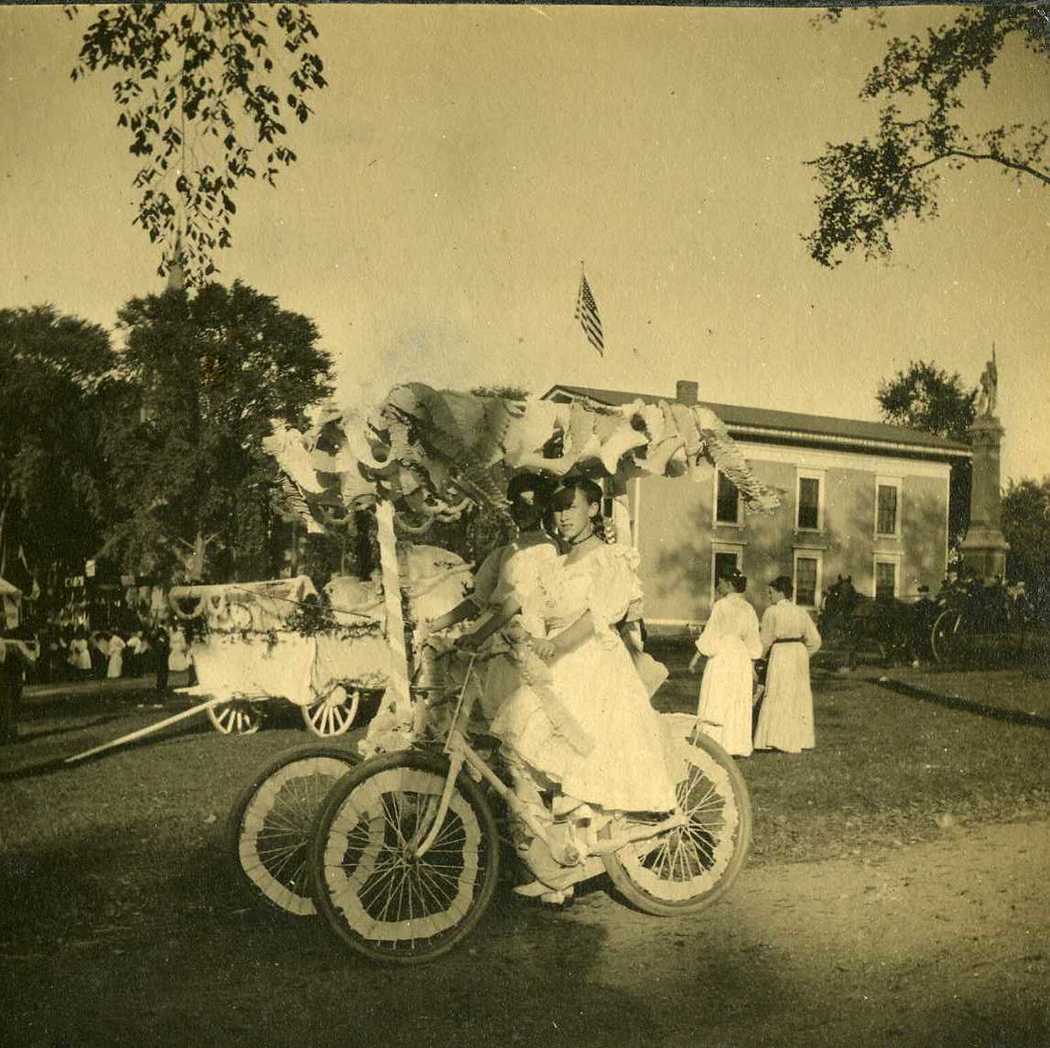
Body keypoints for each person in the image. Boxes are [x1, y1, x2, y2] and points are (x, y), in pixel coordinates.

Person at [487, 475, 679, 902]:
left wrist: (555, 644)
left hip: (591, 664)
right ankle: (555, 863)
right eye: (557, 508)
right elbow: (520, 603)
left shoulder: (608, 559)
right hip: (553, 664)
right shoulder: (559, 563)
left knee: (575, 769)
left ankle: (570, 866)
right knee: (522, 750)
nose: (562, 516)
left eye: (571, 506)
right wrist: (485, 634)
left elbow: (597, 617)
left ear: (593, 509)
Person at [690, 569, 762, 757]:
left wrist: (697, 655)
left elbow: (712, 633)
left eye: (720, 582)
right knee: (735, 697)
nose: (718, 586)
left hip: (723, 655)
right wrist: (752, 663)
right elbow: (753, 639)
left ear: (730, 585)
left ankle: (714, 742)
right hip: (740, 656)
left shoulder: (721, 605)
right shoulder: (749, 608)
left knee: (718, 694)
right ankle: (735, 744)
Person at [753, 575, 822, 753]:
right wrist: (803, 656)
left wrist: (757, 659)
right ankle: (799, 739)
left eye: (771, 592)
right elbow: (815, 640)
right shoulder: (801, 612)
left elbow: (765, 639)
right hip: (798, 654)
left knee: (779, 693)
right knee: (797, 695)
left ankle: (777, 738)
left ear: (781, 592)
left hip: (781, 654)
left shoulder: (772, 612)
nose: (769, 596)